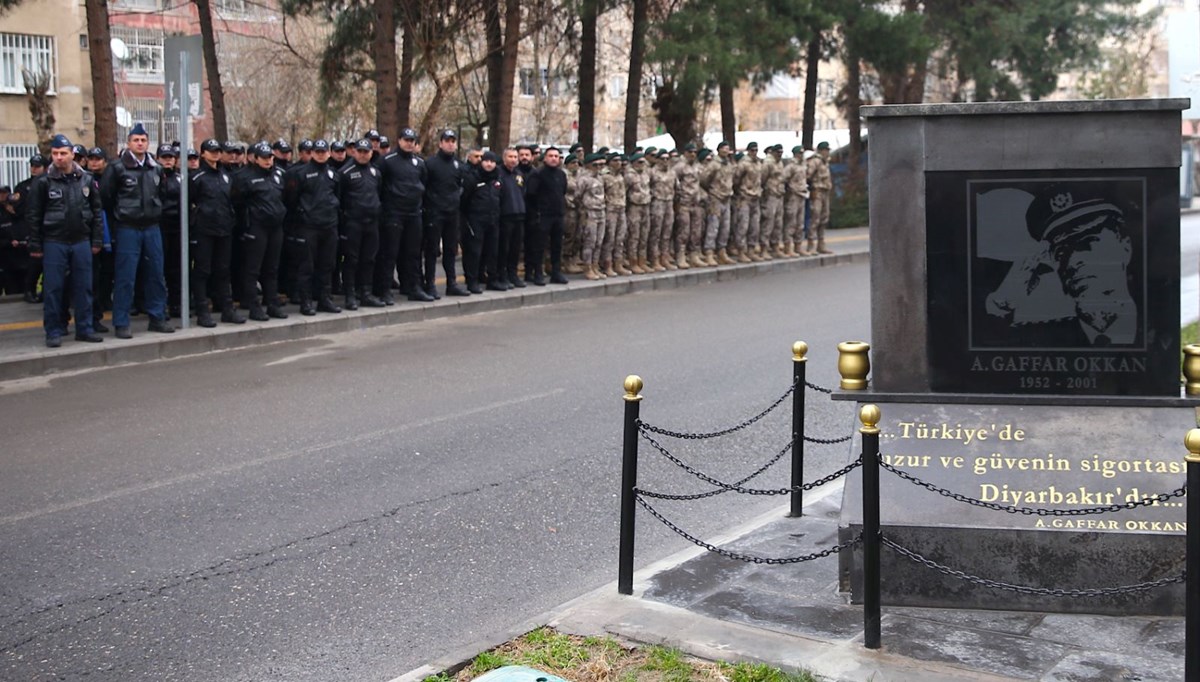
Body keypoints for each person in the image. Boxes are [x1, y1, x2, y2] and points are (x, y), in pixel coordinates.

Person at [26, 134, 104, 347]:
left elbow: (96, 212)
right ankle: (53, 330)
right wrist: (35, 244)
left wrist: (96, 240)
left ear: (72, 155)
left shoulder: (86, 180)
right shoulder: (43, 182)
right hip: (54, 241)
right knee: (53, 288)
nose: (59, 157)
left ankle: (85, 329)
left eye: (63, 153)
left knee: (84, 287)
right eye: (55, 153)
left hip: (81, 241)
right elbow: (33, 215)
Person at [101, 122, 174, 338]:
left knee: (156, 274)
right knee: (125, 276)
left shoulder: (156, 168)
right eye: (136, 140)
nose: (140, 144)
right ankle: (121, 322)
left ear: (148, 143)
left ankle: (157, 317)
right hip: (128, 227)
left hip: (151, 227)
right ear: (128, 143)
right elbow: (106, 197)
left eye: (143, 140)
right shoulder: (117, 168)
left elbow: (161, 194)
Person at [190, 138, 245, 327]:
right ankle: (202, 311)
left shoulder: (226, 175)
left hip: (224, 228)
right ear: (203, 153)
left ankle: (227, 309)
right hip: (204, 229)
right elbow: (189, 202)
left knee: (223, 270)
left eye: (217, 151)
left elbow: (233, 199)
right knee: (202, 271)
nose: (215, 154)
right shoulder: (196, 177)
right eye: (211, 151)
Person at [283, 138, 342, 315]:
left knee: (327, 264)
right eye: (317, 152)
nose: (321, 155)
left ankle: (324, 299)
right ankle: (306, 301)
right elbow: (291, 199)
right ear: (312, 153)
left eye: (324, 152)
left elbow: (337, 196)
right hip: (309, 226)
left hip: (329, 225)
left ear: (328, 153)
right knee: (306, 266)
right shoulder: (300, 173)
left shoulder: (333, 174)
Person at [232, 141, 288, 320]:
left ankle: (272, 304)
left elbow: (285, 197)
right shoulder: (244, 177)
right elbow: (236, 201)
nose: (268, 160)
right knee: (253, 269)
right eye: (264, 157)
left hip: (275, 227)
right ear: (255, 158)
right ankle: (254, 307)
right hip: (256, 227)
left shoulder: (278, 175)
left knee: (272, 268)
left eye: (270, 157)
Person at [377, 127, 431, 302]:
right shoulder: (387, 161)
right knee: (390, 253)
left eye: (412, 141)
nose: (409, 144)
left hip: (414, 213)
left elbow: (423, 183)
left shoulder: (419, 163)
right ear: (399, 140)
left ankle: (413, 287)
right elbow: (379, 185)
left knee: (413, 253)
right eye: (406, 140)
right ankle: (384, 290)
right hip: (394, 212)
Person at [339, 139, 384, 309]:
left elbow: (378, 193)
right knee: (351, 260)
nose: (363, 155)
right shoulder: (345, 172)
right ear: (354, 152)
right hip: (353, 222)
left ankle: (366, 292)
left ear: (371, 153)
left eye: (366, 152)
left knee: (369, 259)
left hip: (371, 222)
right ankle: (350, 295)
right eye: (360, 151)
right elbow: (339, 198)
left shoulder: (375, 172)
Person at [424, 129, 467, 297]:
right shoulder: (430, 164)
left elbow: (461, 185)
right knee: (432, 250)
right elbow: (424, 186)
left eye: (453, 141)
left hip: (452, 213)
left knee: (451, 249)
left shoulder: (458, 165)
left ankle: (452, 283)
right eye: (447, 141)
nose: (450, 144)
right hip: (435, 212)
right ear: (440, 143)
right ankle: (430, 284)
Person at [525, 146, 569, 284]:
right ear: (545, 158)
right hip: (543, 215)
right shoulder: (537, 174)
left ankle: (556, 272)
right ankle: (537, 273)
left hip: (558, 214)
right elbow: (531, 194)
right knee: (539, 246)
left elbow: (563, 191)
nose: (554, 159)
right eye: (551, 156)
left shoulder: (561, 174)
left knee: (557, 245)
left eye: (556, 156)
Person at [462, 149, 501, 293]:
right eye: (486, 161)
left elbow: (500, 197)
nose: (489, 164)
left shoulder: (497, 178)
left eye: (492, 162)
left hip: (493, 219)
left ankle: (492, 279)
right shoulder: (473, 178)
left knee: (492, 251)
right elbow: (464, 199)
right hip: (476, 219)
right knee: (474, 252)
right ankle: (472, 281)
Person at [13, 153, 46, 302]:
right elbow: (17, 208)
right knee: (34, 262)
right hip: (30, 227)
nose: (34, 169)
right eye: (32, 166)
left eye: (37, 166)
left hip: (48, 227)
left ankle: (45, 290)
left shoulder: (49, 182)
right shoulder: (23, 186)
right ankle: (29, 290)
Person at [157, 145, 185, 316]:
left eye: (171, 157)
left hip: (178, 227)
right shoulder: (154, 176)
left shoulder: (181, 178)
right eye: (164, 157)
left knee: (176, 268)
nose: (168, 160)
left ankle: (176, 304)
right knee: (160, 268)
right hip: (160, 226)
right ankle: (161, 306)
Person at [497, 147, 526, 288]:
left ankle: (513, 274)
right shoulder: (499, 173)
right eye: (510, 157)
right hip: (505, 216)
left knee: (515, 247)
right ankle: (501, 275)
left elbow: (522, 191)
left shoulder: (518, 174)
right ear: (504, 158)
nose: (513, 160)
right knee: (504, 248)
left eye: (515, 157)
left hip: (519, 214)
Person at [576, 153, 607, 281]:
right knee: (590, 241)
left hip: (601, 211)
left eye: (601, 165)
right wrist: (584, 209)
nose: (598, 167)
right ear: (588, 165)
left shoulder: (600, 178)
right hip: (589, 212)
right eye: (595, 165)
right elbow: (577, 196)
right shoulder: (583, 179)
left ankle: (595, 266)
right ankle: (588, 267)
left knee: (599, 241)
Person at [673, 143, 704, 269]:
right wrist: (678, 200)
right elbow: (674, 184)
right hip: (684, 203)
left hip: (695, 202)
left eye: (694, 152)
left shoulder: (697, 166)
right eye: (690, 152)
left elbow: (702, 182)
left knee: (696, 231)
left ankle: (694, 255)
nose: (692, 154)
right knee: (683, 231)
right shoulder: (679, 167)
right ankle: (680, 255)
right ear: (685, 153)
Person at [733, 141, 763, 262]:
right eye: (752, 150)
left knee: (755, 226)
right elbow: (736, 179)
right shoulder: (743, 163)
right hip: (745, 197)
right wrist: (741, 191)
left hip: (756, 197)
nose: (754, 152)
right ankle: (741, 251)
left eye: (756, 150)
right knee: (743, 226)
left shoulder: (759, 163)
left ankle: (751, 250)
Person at [623, 153, 652, 273]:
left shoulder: (646, 174)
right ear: (633, 163)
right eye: (639, 162)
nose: (642, 165)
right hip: (634, 207)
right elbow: (623, 192)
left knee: (644, 235)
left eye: (643, 162)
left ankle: (642, 261)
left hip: (646, 206)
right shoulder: (629, 175)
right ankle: (633, 262)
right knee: (634, 236)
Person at [648, 150, 675, 272]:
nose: (665, 161)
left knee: (667, 232)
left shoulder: (672, 172)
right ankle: (654, 259)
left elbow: (676, 187)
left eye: (667, 159)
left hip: (669, 202)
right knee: (656, 233)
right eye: (662, 159)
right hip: (657, 203)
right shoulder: (652, 172)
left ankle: (664, 257)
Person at [806, 141, 834, 255]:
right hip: (817, 191)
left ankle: (821, 244)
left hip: (825, 192)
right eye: (826, 150)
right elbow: (807, 176)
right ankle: (811, 245)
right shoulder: (815, 161)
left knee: (824, 218)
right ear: (821, 151)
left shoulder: (825, 162)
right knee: (815, 218)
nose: (828, 152)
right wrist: (810, 189)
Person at [783, 146, 811, 256]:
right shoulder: (790, 166)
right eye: (799, 153)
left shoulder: (803, 165)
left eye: (802, 153)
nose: (801, 155)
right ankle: (787, 247)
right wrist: (789, 190)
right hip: (793, 196)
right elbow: (783, 179)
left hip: (802, 194)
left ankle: (798, 246)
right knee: (791, 222)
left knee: (800, 223)